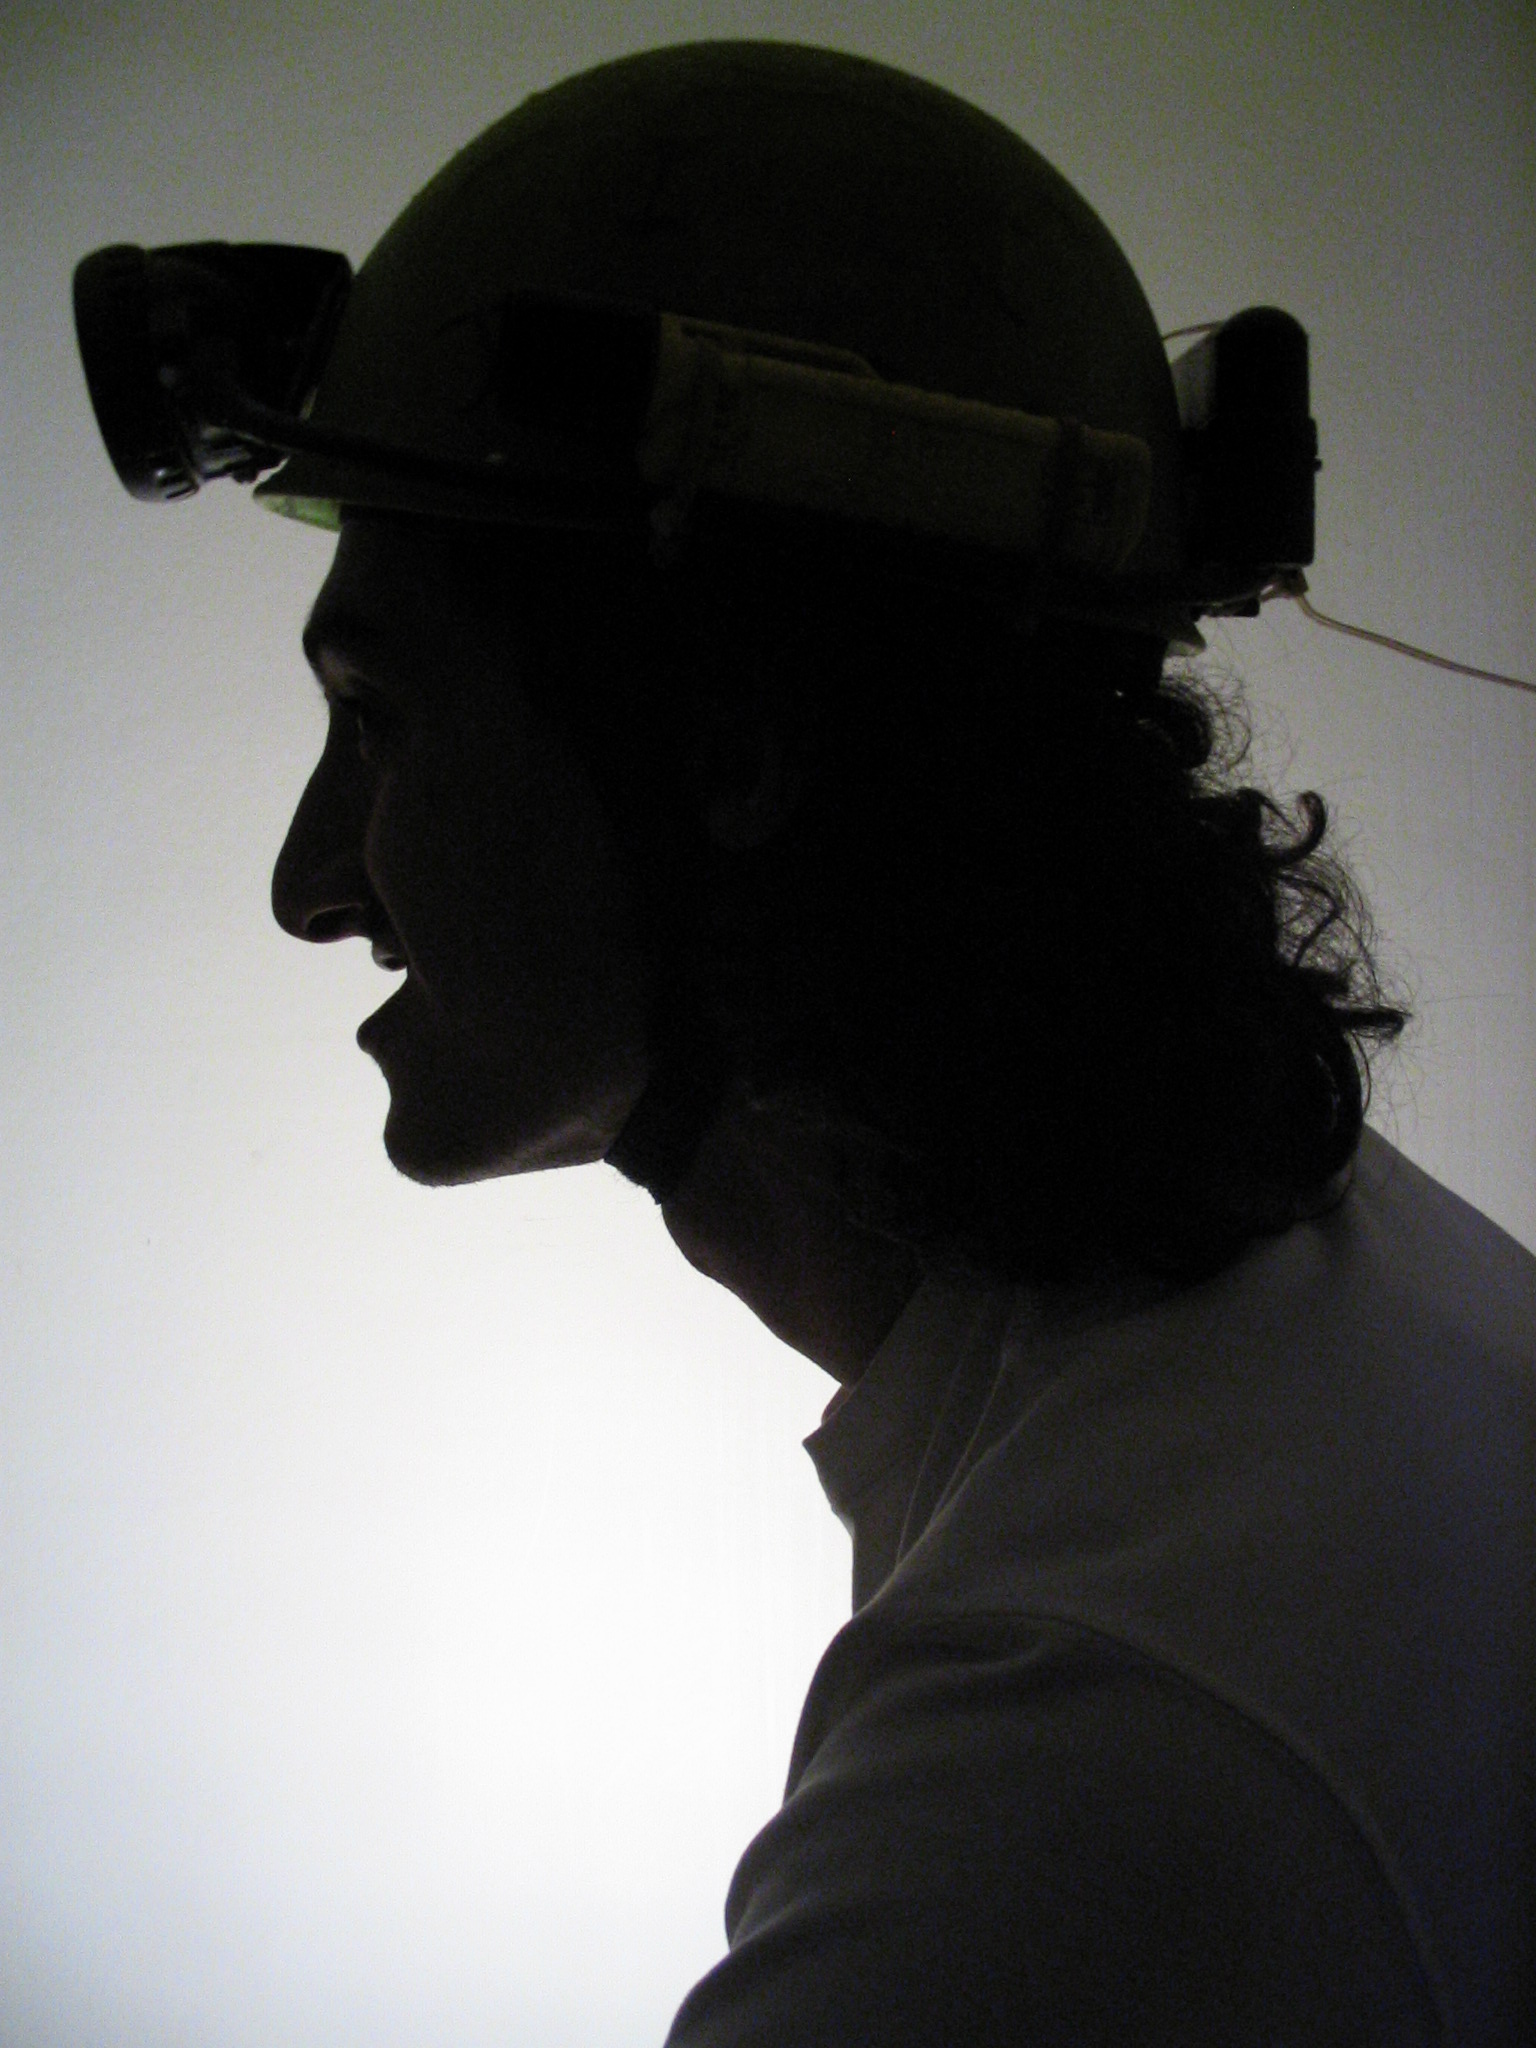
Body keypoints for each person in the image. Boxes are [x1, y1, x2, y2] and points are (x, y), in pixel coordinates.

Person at [87, 40, 1536, 2046]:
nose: (310, 881)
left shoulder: (1073, 1765)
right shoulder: (1317, 1318)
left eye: (383, 719)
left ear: (734, 743)